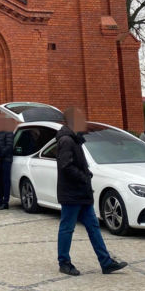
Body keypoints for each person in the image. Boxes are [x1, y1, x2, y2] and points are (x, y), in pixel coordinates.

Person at [56, 107, 127, 276]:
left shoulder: (75, 139)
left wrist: (86, 175)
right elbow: (66, 166)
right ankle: (64, 262)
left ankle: (106, 262)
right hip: (72, 193)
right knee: (67, 228)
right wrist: (84, 176)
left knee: (94, 227)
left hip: (82, 192)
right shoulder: (66, 140)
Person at [0, 125, 15, 209]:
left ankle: (5, 202)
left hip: (6, 160)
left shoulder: (9, 131)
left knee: (5, 181)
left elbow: (9, 146)